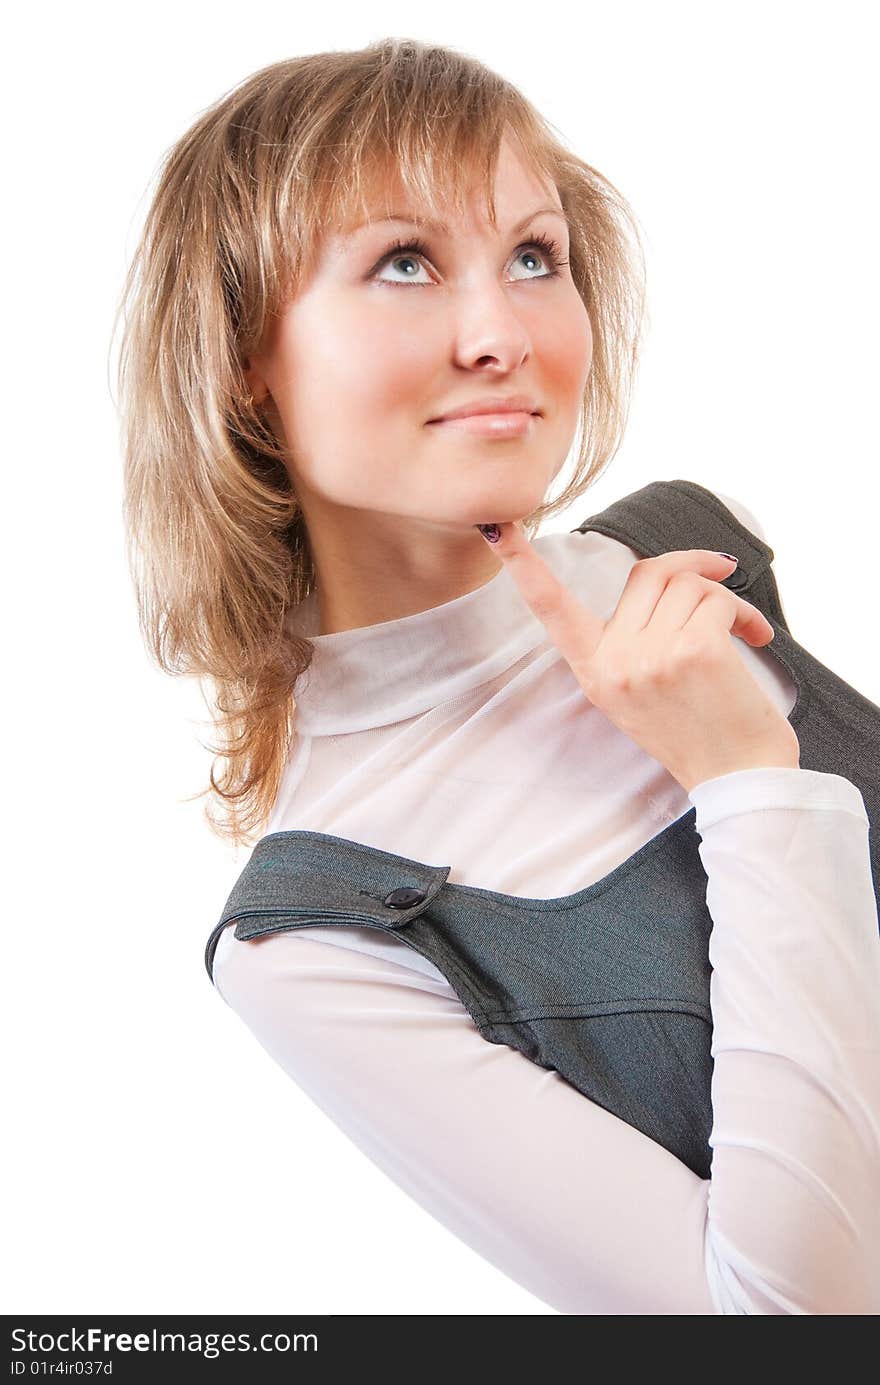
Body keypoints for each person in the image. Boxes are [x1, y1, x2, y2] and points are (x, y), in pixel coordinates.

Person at [114, 39, 880, 1314]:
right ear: (244, 352)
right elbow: (786, 1320)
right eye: (403, 263)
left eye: (534, 257)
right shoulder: (316, 933)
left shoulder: (698, 546)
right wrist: (746, 783)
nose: (501, 333)